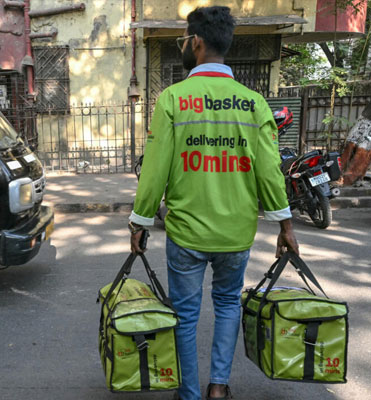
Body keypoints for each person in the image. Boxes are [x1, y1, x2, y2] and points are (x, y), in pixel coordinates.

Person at [128, 7, 299, 400]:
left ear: (198, 42)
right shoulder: (254, 104)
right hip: (236, 235)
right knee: (227, 306)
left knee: (185, 317)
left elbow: (154, 171)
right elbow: (270, 172)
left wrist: (139, 223)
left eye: (185, 39)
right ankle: (218, 388)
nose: (185, 45)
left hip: (186, 234)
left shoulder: (172, 99)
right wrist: (285, 227)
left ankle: (188, 394)